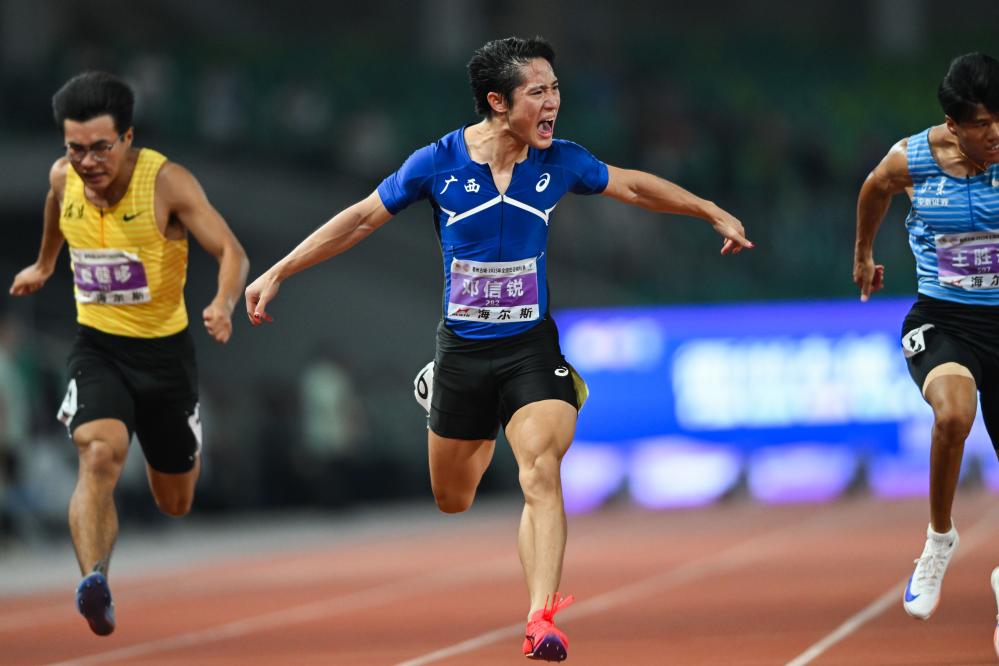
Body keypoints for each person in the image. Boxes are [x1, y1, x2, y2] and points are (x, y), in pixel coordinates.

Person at [245, 36, 751, 661]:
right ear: (498, 101)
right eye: (538, 92)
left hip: (531, 348)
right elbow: (359, 219)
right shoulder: (436, 163)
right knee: (453, 497)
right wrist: (280, 270)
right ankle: (441, 389)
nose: (553, 102)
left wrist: (708, 210)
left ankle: (542, 619)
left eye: (555, 89)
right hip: (462, 352)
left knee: (541, 469)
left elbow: (634, 188)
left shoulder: (562, 161)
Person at [8, 71, 249, 636]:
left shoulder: (166, 183)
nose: (87, 162)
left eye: (100, 148)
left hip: (165, 357)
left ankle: (177, 448)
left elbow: (231, 251)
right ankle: (94, 579)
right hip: (98, 347)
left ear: (128, 138)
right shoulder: (63, 177)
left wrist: (222, 302)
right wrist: (45, 263)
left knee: (175, 500)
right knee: (98, 455)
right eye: (75, 148)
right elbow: (55, 207)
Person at [853, 52, 999, 640]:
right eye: (982, 125)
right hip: (945, 321)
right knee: (954, 414)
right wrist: (863, 254)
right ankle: (940, 539)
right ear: (952, 124)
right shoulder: (911, 158)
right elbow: (874, 188)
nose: (995, 134)